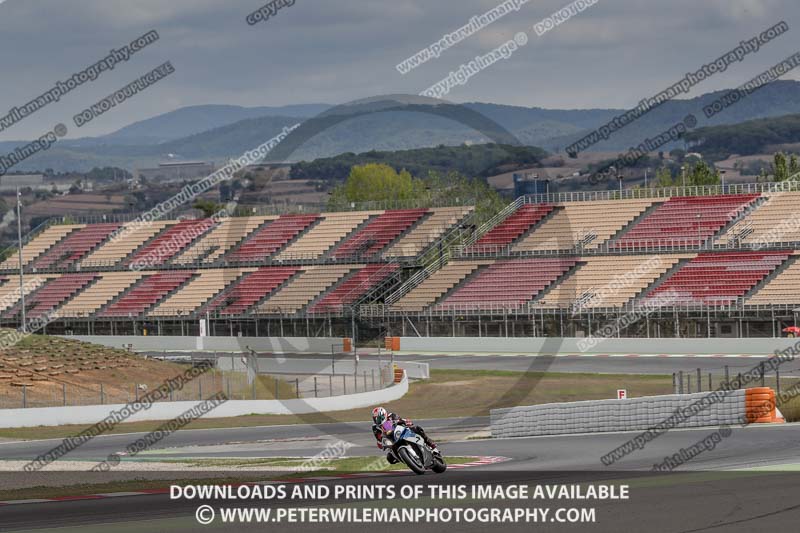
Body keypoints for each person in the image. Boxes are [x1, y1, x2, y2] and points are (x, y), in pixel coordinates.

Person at [371, 406, 437, 451]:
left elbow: (402, 420)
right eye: (375, 419)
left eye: (379, 418)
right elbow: (379, 440)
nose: (378, 420)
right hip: (392, 441)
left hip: (400, 433)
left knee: (417, 428)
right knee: (389, 458)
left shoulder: (391, 416)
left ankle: (429, 442)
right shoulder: (376, 428)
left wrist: (406, 422)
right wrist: (381, 444)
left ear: (384, 414)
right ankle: (408, 460)